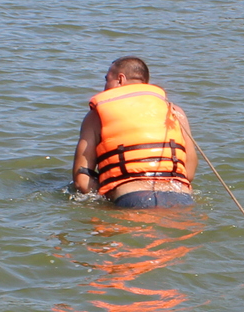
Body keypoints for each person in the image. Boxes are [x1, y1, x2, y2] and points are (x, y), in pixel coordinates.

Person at [72, 57, 197, 208]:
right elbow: (188, 173)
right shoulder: (175, 112)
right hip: (180, 198)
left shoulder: (95, 117)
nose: (104, 86)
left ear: (120, 79)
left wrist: (107, 196)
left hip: (131, 198)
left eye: (107, 79)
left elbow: (82, 181)